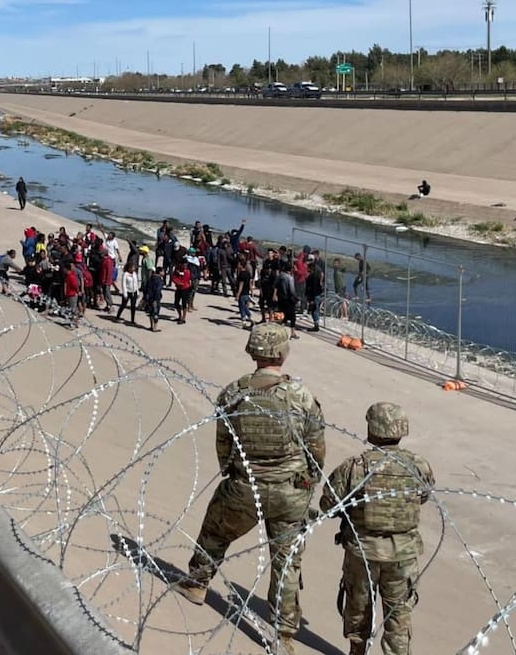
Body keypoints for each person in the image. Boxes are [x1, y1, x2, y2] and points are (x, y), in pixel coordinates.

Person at [176, 324, 325, 655]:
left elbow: (223, 444)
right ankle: (283, 635)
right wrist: (308, 481)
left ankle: (197, 583)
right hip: (290, 492)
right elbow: (316, 449)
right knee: (286, 562)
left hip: (246, 486)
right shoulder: (301, 396)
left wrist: (232, 474)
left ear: (251, 351)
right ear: (283, 353)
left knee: (215, 532)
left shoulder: (234, 392)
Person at [320, 403, 434, 655]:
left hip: (363, 552)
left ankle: (357, 650)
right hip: (402, 555)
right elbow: (423, 496)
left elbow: (329, 504)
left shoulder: (355, 467)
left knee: (358, 608)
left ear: (372, 430)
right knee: (398, 615)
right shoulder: (417, 465)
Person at [115, 258, 140, 326]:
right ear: (129, 268)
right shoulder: (125, 274)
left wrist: (137, 292)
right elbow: (124, 285)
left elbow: (136, 283)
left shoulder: (134, 274)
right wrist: (125, 294)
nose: (134, 268)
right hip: (128, 292)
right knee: (123, 305)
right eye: (132, 267)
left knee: (133, 306)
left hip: (134, 292)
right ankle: (118, 316)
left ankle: (132, 320)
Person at [305, 250, 324, 333]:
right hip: (315, 295)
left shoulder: (314, 277)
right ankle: (316, 324)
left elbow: (314, 288)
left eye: (308, 268)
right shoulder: (314, 275)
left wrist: (312, 299)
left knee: (314, 310)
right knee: (314, 310)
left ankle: (316, 326)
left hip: (315, 295)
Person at [171, 257, 193, 324]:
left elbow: (187, 279)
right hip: (178, 288)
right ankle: (180, 316)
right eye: (184, 264)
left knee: (184, 304)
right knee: (176, 303)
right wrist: (177, 282)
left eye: (186, 264)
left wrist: (181, 282)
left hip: (185, 289)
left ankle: (183, 318)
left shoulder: (188, 271)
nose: (185, 266)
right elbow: (174, 277)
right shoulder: (177, 269)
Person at [142, 263, 163, 332]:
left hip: (149, 298)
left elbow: (146, 288)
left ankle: (151, 326)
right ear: (160, 272)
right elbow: (157, 290)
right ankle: (155, 327)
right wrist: (156, 299)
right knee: (156, 313)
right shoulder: (159, 280)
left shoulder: (150, 278)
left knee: (151, 312)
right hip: (155, 299)